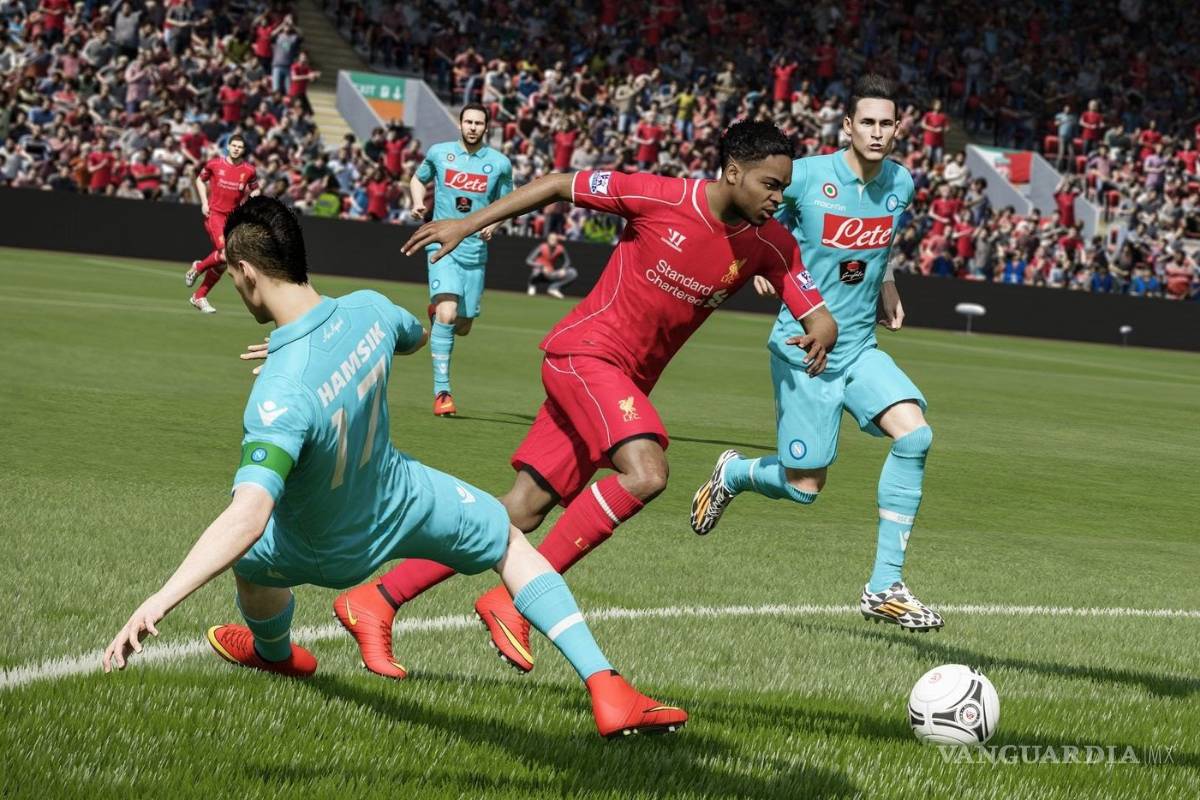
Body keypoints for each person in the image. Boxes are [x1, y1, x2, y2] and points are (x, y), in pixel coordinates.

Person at [101, 197, 685, 740]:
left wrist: (160, 599)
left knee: (251, 563)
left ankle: (274, 653)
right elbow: (415, 337)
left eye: (232, 275)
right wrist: (314, 342)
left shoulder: (279, 394)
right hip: (403, 500)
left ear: (247, 272)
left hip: (322, 546)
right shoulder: (370, 309)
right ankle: (608, 688)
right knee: (508, 539)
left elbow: (248, 515)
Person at [334, 121, 837, 678]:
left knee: (520, 510)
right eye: (770, 184)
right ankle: (519, 597)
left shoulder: (772, 244)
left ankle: (375, 599)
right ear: (734, 172)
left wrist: (820, 332)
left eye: (784, 187)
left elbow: (817, 312)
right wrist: (467, 225)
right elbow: (557, 183)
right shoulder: (658, 196)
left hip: (617, 384)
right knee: (647, 473)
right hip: (585, 355)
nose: (778, 197)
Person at [689, 75, 944, 633]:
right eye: (867, 122)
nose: (876, 132)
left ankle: (885, 586)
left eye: (886, 123)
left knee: (915, 436)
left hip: (861, 346)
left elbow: (882, 246)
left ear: (898, 130)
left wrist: (887, 284)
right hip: (805, 347)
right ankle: (735, 473)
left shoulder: (901, 182)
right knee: (805, 487)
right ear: (847, 127)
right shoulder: (804, 176)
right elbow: (744, 210)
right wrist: (760, 262)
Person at [410, 103, 513, 416]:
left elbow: (509, 203)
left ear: (486, 128)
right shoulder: (439, 153)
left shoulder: (500, 163)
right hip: (441, 244)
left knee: (463, 325)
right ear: (460, 123)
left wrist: (494, 225)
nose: (472, 127)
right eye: (468, 122)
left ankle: (439, 318)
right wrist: (417, 202)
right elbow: (417, 179)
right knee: (448, 313)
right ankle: (442, 393)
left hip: (475, 250)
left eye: (478, 123)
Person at [185, 134, 259, 313]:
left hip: (233, 219)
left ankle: (199, 296)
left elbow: (256, 190)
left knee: (222, 262)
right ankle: (198, 268)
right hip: (215, 215)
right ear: (228, 146)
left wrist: (248, 203)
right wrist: (204, 202)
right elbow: (200, 179)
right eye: (234, 146)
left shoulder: (249, 170)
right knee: (226, 254)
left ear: (243, 150)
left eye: (240, 147)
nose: (236, 149)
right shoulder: (215, 164)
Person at [525, 231, 577, 298]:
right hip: (540, 272)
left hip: (551, 273)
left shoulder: (560, 248)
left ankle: (553, 288)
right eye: (551, 239)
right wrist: (541, 266)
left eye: (555, 239)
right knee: (536, 270)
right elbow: (528, 261)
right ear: (548, 239)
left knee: (573, 272)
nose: (553, 240)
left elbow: (567, 261)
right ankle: (532, 285)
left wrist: (563, 268)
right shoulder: (541, 247)